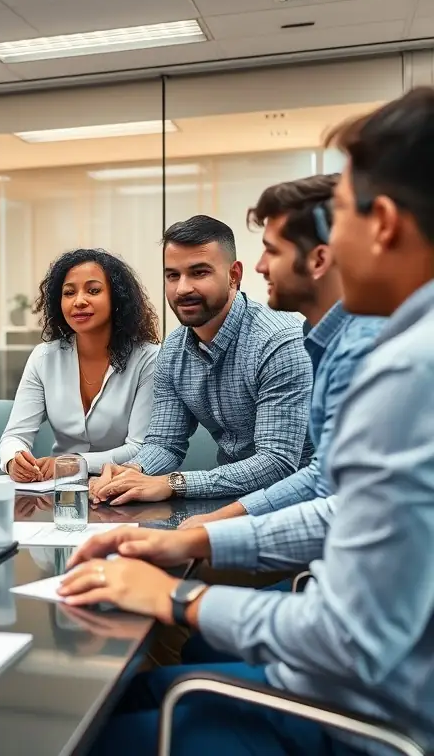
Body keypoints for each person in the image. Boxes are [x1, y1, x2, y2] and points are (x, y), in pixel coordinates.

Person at [59, 88, 434, 756]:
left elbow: (345, 635)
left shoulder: (403, 369)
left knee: (85, 733)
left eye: (340, 214)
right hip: (339, 682)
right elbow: (341, 509)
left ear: (382, 224)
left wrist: (174, 597)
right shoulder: (405, 350)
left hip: (353, 719)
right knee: (122, 692)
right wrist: (191, 542)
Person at [179, 177, 384, 529]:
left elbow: (342, 502)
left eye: (272, 250)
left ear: (319, 260)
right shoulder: (324, 341)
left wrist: (210, 535)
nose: (260, 266)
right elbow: (324, 479)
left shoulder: (361, 349)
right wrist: (212, 528)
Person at [90, 215, 313, 504]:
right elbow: (165, 443)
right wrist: (131, 474)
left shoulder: (278, 342)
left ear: (234, 275)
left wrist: (173, 483)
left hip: (302, 502)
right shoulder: (173, 349)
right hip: (230, 499)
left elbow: (277, 462)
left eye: (199, 273)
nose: (182, 289)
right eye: (173, 275)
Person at [0, 249, 160, 481]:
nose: (79, 301)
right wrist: (14, 459)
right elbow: (14, 435)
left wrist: (72, 464)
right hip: (60, 492)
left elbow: (139, 449)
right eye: (69, 293)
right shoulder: (44, 358)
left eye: (93, 291)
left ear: (117, 298)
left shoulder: (148, 359)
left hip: (125, 487)